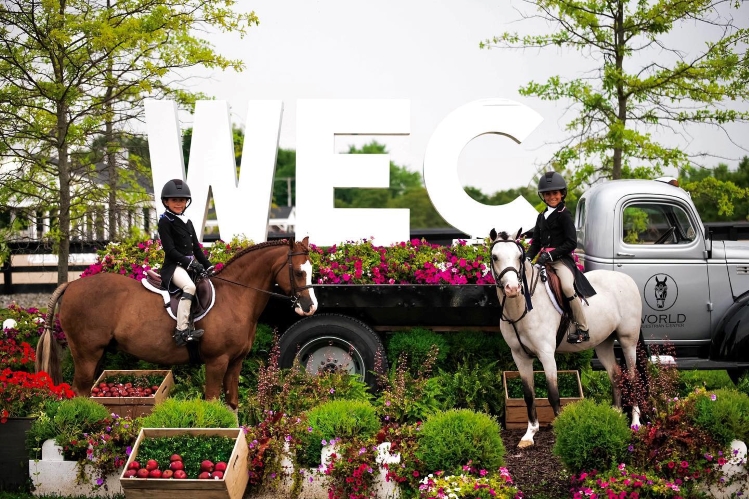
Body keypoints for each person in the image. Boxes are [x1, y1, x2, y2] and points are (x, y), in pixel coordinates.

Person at [526, 171, 596, 343]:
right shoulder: (541, 217)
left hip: (560, 260)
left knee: (567, 287)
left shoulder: (564, 214)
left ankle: (583, 328)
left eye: (555, 193)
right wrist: (527, 258)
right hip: (542, 260)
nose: (552, 197)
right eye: (548, 194)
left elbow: (571, 242)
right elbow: (536, 242)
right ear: (543, 196)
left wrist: (550, 254)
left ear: (562, 193)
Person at [158, 179, 213, 346]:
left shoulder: (187, 221)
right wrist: (190, 264)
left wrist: (209, 266)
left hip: (188, 266)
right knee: (189, 287)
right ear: (166, 202)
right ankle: (181, 330)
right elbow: (170, 250)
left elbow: (196, 248)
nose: (179, 203)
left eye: (182, 200)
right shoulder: (165, 221)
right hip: (174, 266)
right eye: (174, 200)